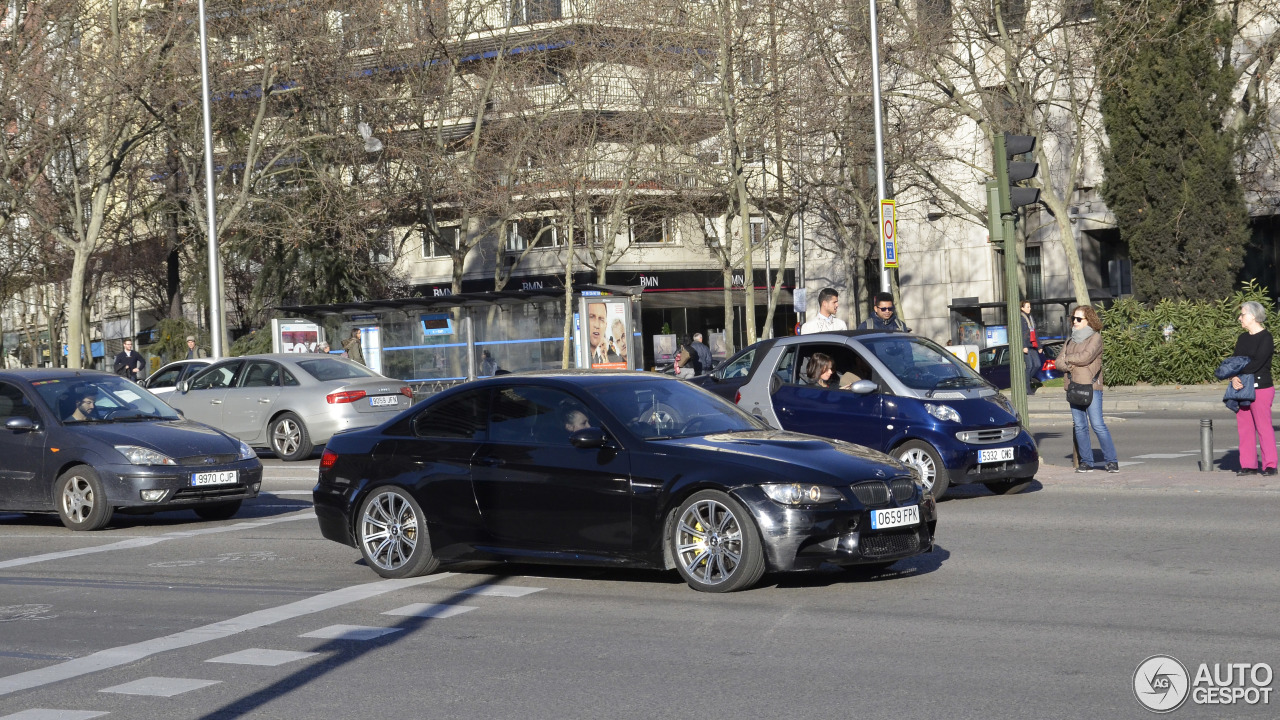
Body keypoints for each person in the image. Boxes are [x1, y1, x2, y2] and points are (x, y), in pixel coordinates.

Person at [1058, 305, 1118, 473]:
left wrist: (1068, 359)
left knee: (1098, 425)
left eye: (1079, 319)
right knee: (1080, 426)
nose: (1075, 322)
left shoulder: (1095, 338)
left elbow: (1086, 357)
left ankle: (1111, 461)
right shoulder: (1070, 340)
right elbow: (1058, 362)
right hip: (1073, 386)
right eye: (1073, 318)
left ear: (1088, 320)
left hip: (1092, 386)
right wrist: (1068, 362)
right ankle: (1086, 461)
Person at [1230, 301, 1276, 476]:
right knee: (1245, 428)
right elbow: (1235, 361)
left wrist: (1238, 372)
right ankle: (1248, 465)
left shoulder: (1266, 337)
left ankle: (1270, 464)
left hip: (1261, 387)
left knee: (1263, 427)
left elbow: (1258, 363)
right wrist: (1233, 377)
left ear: (1253, 316)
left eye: (1242, 314)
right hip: (1241, 387)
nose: (1240, 318)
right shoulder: (1242, 338)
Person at [1020, 300, 1039, 395]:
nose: (1029, 308)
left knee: (1037, 364)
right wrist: (1023, 346)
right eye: (1027, 307)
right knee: (1029, 366)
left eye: (1030, 307)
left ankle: (1024, 380)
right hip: (1026, 345)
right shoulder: (1021, 318)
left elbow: (1035, 332)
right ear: (1022, 308)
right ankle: (1027, 388)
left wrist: (1039, 346)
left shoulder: (1030, 317)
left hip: (1033, 344)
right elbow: (1021, 333)